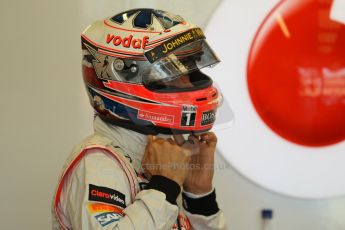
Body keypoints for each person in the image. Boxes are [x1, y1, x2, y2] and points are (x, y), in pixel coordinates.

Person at [52, 8, 227, 230]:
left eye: (190, 73)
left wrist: (199, 198)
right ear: (121, 79)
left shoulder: (159, 156)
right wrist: (164, 187)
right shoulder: (98, 163)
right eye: (172, 74)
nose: (190, 84)